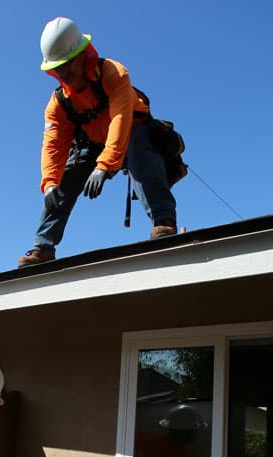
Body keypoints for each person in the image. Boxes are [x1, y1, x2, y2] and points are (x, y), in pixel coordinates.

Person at [18, 16, 178, 268]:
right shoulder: (58, 103)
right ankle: (43, 247)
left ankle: (164, 221)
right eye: (57, 68)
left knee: (138, 145)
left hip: (133, 132)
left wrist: (104, 166)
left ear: (82, 56)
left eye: (67, 65)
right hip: (94, 145)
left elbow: (120, 121)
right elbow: (53, 145)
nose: (63, 74)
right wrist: (49, 183)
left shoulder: (114, 73)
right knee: (63, 178)